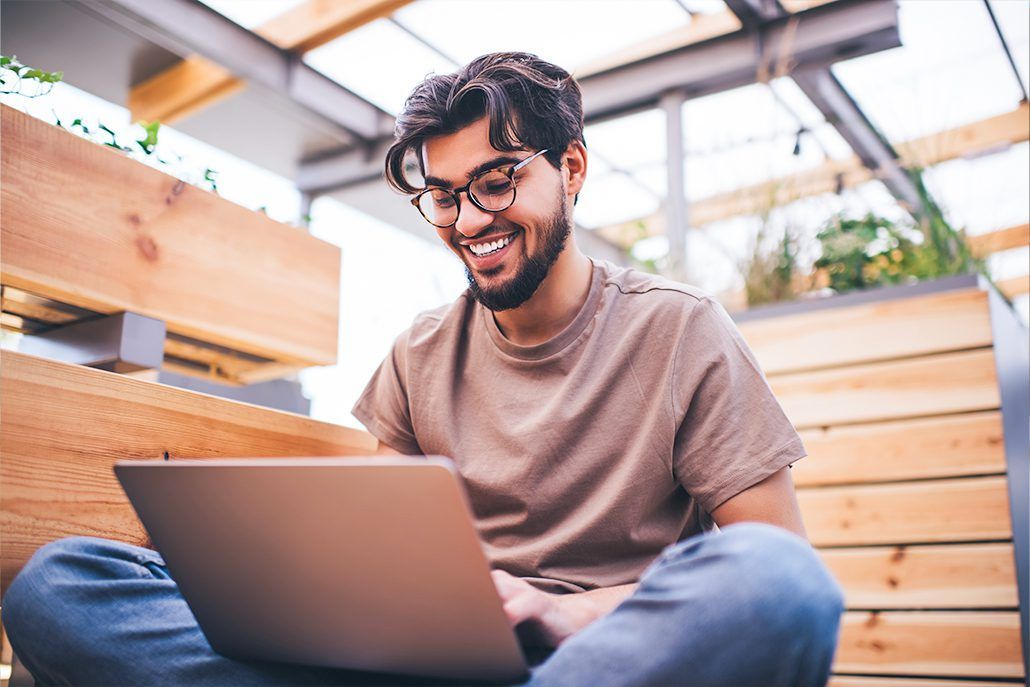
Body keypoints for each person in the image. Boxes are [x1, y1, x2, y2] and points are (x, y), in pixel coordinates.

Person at [2, 52, 843, 686]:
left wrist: (564, 610)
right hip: (422, 656)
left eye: (496, 181)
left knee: (780, 585)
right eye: (443, 195)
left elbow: (774, 558)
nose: (468, 218)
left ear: (571, 169)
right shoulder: (418, 352)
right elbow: (379, 555)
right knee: (61, 583)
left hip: (585, 659)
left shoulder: (681, 330)